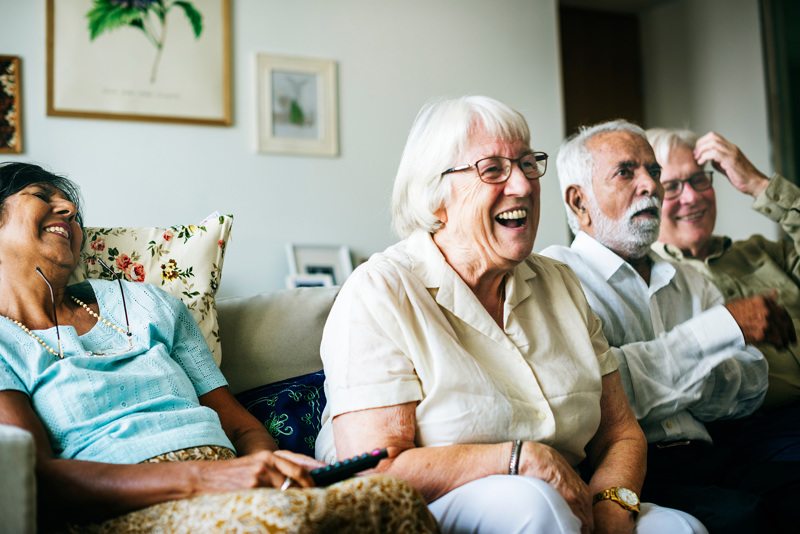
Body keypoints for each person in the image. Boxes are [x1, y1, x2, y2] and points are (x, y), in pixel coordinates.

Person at [314, 96, 705, 534]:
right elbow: (373, 470)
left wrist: (613, 503)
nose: (522, 185)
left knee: (681, 528)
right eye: (494, 169)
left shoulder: (560, 282)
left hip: (570, 498)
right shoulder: (380, 291)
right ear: (436, 194)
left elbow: (620, 433)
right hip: (439, 509)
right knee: (533, 504)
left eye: (526, 163)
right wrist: (521, 459)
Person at [0, 162, 438, 533]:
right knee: (275, 524)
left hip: (234, 481)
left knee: (392, 496)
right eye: (43, 196)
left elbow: (241, 427)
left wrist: (265, 469)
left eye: (73, 210)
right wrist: (208, 478)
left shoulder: (147, 303)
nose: (71, 210)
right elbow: (36, 476)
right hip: (127, 506)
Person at [540, 119, 798, 533]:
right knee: (745, 520)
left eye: (653, 171)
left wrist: (656, 373)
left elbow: (750, 385)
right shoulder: (556, 276)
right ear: (578, 202)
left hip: (712, 455)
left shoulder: (690, 279)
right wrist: (718, 333)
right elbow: (600, 396)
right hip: (633, 472)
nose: (651, 186)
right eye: (627, 172)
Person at [647, 128, 800, 420]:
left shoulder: (763, 252)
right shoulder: (652, 283)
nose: (691, 197)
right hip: (759, 433)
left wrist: (758, 184)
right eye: (671, 186)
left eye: (698, 179)